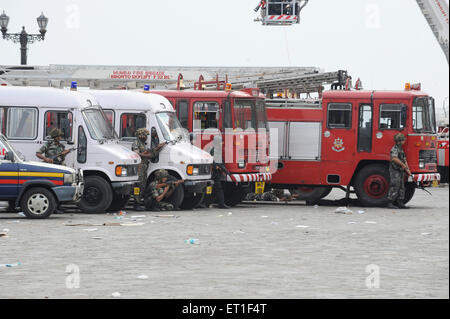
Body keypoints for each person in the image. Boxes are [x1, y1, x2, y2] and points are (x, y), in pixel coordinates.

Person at [387, 133, 412, 209]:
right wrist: (403, 165)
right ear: (399, 141)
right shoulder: (395, 149)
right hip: (395, 170)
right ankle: (390, 202)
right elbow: (394, 158)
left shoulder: (400, 149)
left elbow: (404, 160)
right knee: (395, 185)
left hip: (400, 170)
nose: (404, 141)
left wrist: (407, 170)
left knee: (401, 186)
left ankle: (400, 202)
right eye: (403, 140)